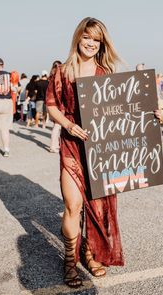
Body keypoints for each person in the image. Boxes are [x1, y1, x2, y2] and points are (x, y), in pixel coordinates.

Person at [46, 17, 125, 288]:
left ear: (102, 43)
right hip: (71, 144)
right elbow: (52, 105)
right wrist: (69, 124)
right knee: (74, 205)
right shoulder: (62, 70)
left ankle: (89, 253)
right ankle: (69, 260)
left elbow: (125, 111)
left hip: (101, 148)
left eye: (97, 39)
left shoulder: (106, 73)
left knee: (98, 207)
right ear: (78, 37)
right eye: (87, 37)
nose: (91, 43)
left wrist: (152, 115)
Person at [0, 57, 17, 157]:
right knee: (5, 128)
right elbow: (15, 89)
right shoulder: (10, 75)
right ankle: (6, 150)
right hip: (7, 103)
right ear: (2, 65)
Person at [48, 60, 62, 152]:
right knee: (57, 126)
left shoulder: (51, 77)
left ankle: (56, 145)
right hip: (57, 104)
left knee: (56, 126)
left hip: (51, 103)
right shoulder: (57, 78)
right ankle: (53, 146)